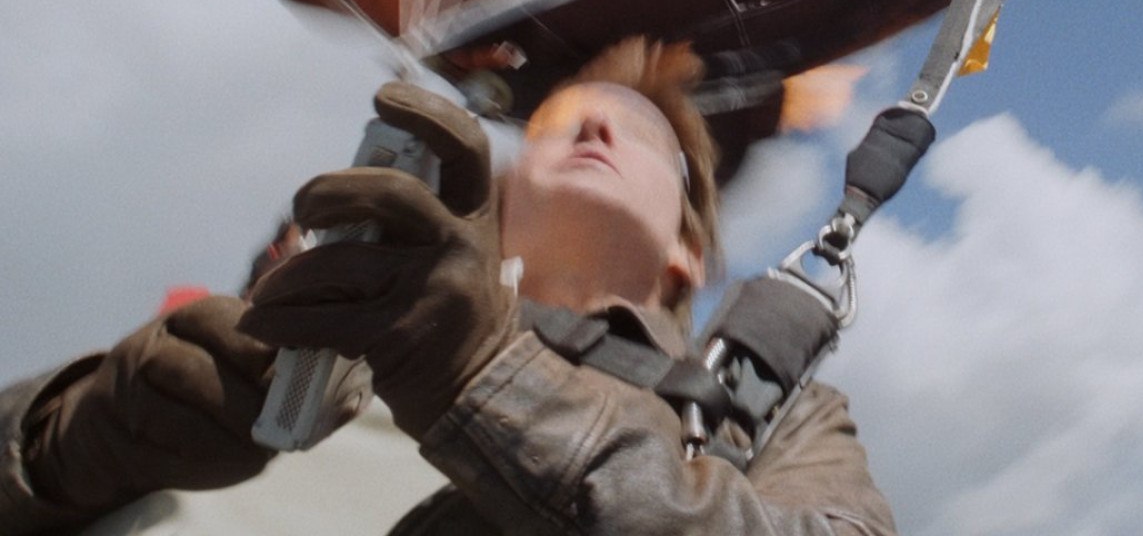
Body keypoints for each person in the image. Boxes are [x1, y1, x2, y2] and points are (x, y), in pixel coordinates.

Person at [0, 38, 897, 534]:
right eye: (556, 125)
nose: (593, 127)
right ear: (499, 201)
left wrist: (486, 378)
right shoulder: (335, 309)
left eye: (640, 135)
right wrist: (69, 440)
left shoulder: (765, 416)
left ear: (687, 249)